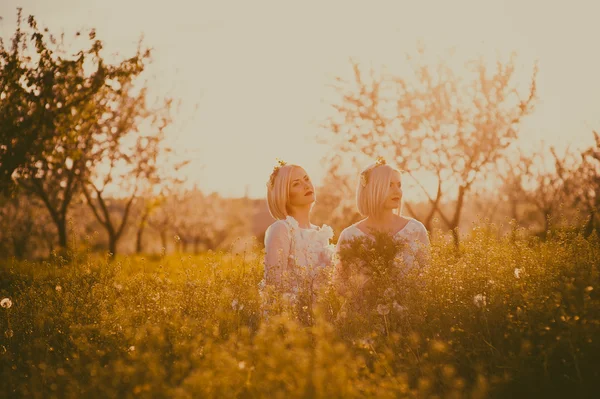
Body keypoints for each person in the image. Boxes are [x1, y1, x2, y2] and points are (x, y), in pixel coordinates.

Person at [335, 157, 430, 286]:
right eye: (390, 185)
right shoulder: (349, 236)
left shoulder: (416, 230)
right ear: (374, 189)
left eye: (399, 185)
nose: (397, 191)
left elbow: (428, 280)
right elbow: (340, 286)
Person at [261, 159, 335, 304]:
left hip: (322, 320)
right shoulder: (282, 229)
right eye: (296, 184)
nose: (306, 185)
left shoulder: (320, 233)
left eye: (306, 179)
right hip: (294, 319)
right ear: (285, 195)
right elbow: (273, 288)